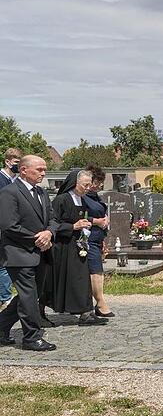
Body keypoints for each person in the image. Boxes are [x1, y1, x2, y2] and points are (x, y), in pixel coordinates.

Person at [0, 155, 59, 351]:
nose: (43, 173)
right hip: (19, 253)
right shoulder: (9, 192)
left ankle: (1, 326)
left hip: (40, 253)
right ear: (23, 170)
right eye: (39, 169)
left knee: (31, 295)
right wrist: (38, 238)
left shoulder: (41, 192)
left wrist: (49, 232)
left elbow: (52, 218)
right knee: (28, 296)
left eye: (44, 169)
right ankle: (31, 337)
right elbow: (9, 226)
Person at [45, 170, 107, 326]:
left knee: (82, 278)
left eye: (89, 185)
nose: (88, 188)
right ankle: (40, 310)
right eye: (85, 185)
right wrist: (72, 226)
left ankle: (86, 313)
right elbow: (52, 223)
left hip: (78, 245)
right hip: (63, 246)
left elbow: (84, 218)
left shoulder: (82, 200)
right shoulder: (61, 200)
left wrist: (88, 224)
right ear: (75, 183)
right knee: (56, 281)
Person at [83, 166, 114, 317]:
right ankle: (100, 302)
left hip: (97, 238)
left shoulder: (96, 197)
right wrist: (97, 221)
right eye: (98, 181)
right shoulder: (83, 196)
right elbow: (77, 215)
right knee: (96, 271)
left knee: (97, 270)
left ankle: (96, 304)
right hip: (87, 239)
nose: (100, 185)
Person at [0, 148, 21, 310]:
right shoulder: (1, 179)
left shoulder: (16, 180)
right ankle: (5, 297)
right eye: (16, 162)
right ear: (8, 162)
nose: (18, 166)